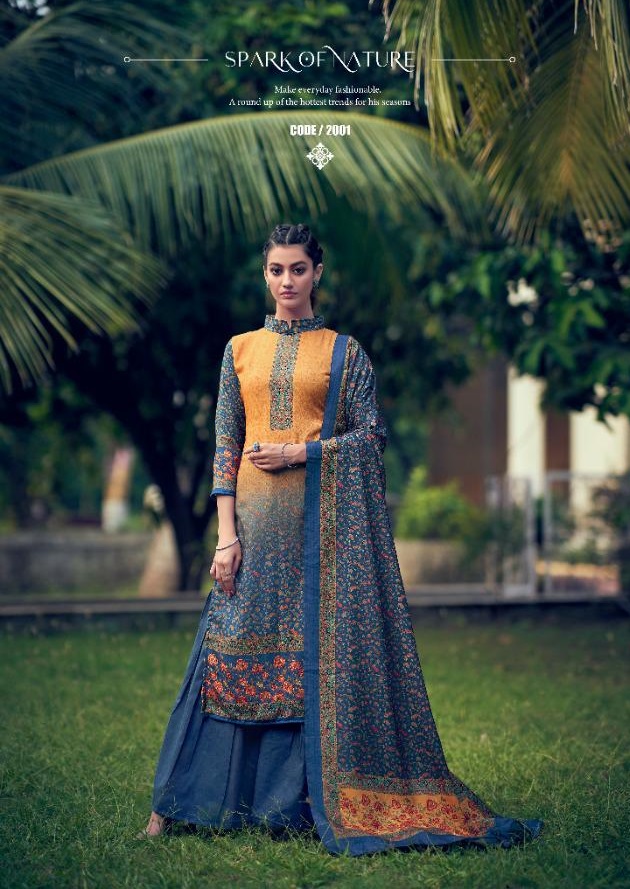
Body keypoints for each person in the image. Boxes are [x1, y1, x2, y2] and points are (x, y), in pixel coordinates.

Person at [139, 223, 543, 856]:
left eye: (298, 269)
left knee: (309, 660)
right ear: (265, 274)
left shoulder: (344, 354)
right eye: (277, 270)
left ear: (317, 273)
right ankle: (181, 803)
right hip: (251, 529)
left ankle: (296, 805)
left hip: (321, 537)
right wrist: (225, 536)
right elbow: (225, 445)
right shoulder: (238, 350)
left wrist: (301, 452)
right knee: (226, 647)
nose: (287, 281)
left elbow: (371, 437)